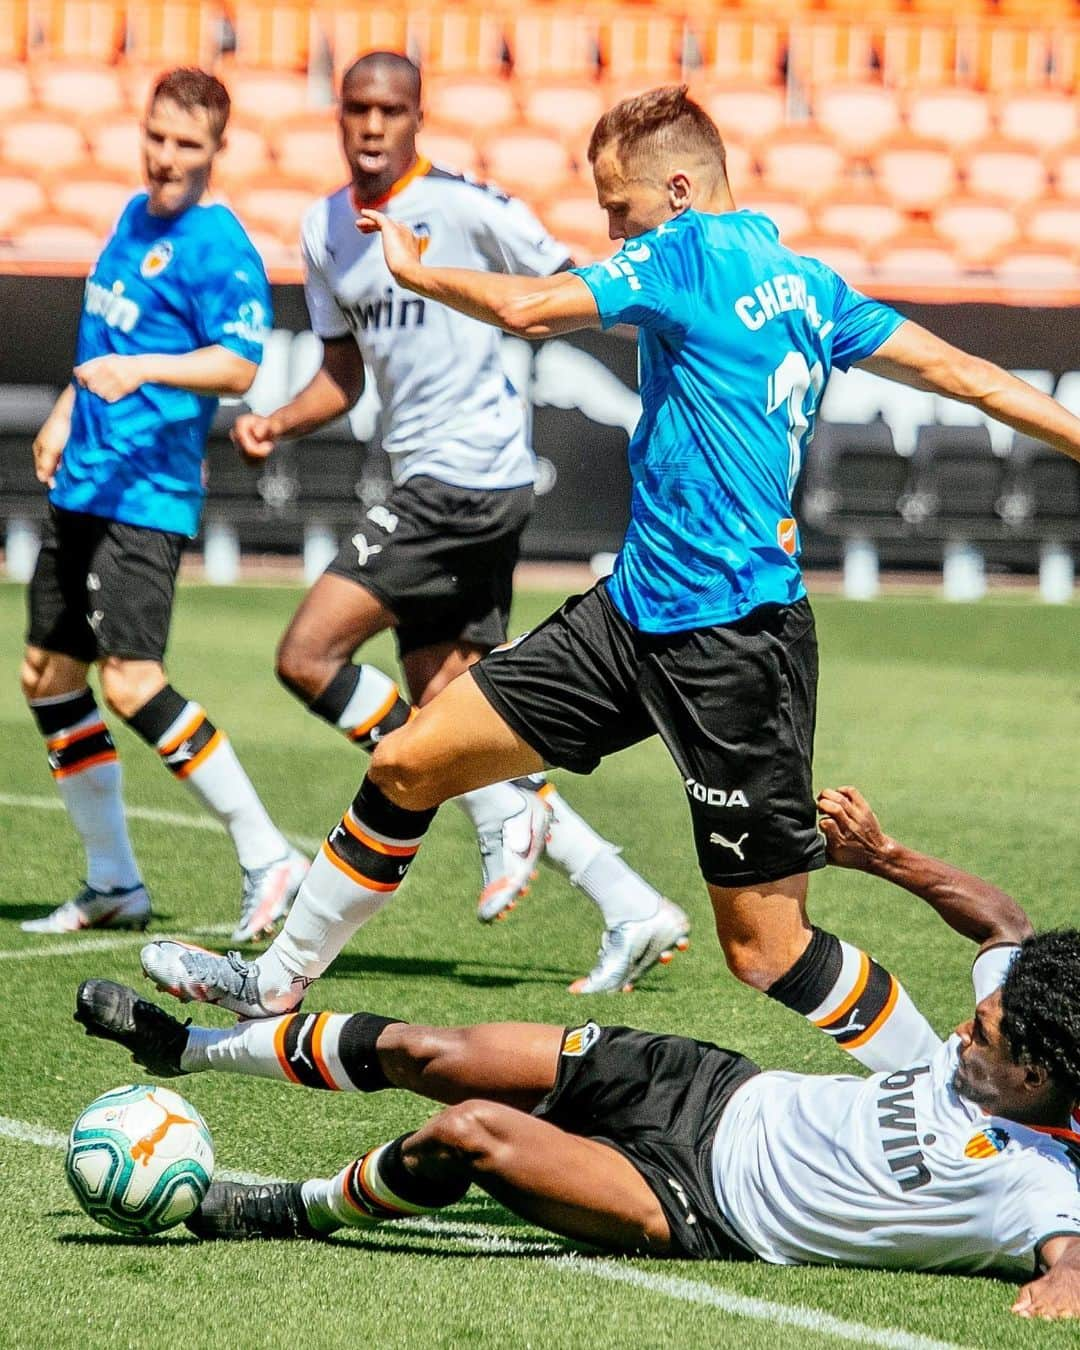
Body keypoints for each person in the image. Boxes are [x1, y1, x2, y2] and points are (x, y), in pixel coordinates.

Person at [140, 85, 1080, 1070]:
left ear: (677, 190)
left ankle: (942, 1096)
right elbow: (970, 377)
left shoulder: (680, 254)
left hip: (735, 647)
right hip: (632, 615)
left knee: (769, 951)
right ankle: (276, 982)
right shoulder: (809, 284)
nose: (609, 228)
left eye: (615, 206)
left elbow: (533, 309)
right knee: (409, 761)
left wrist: (419, 270)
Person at [77, 786, 1080, 1320]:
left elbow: (1066, 1251)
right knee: (439, 1051)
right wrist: (884, 856)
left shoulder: (1037, 1183)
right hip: (708, 1083)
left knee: (469, 1135)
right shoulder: (1026, 1014)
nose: (960, 1031)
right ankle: (192, 1050)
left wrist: (1066, 1284)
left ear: (1038, 1077)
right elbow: (1005, 922)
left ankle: (286, 1212)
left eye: (981, 1042)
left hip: (694, 1205)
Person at [228, 51, 687, 993]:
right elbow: (344, 377)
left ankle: (493, 814)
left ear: (416, 118)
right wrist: (280, 417)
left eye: (388, 110)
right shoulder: (324, 230)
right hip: (428, 478)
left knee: (306, 656)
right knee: (458, 716)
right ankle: (630, 904)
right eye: (355, 108)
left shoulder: (471, 208)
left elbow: (573, 286)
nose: (369, 125)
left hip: (467, 480)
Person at [20, 67, 307, 941]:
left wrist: (142, 372)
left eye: (188, 144)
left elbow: (240, 367)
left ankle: (268, 856)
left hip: (147, 495)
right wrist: (69, 410)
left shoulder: (221, 248)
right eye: (157, 137)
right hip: (86, 481)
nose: (167, 157)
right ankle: (113, 882)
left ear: (217, 152)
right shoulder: (129, 219)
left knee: (133, 680)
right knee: (47, 676)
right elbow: (105, 333)